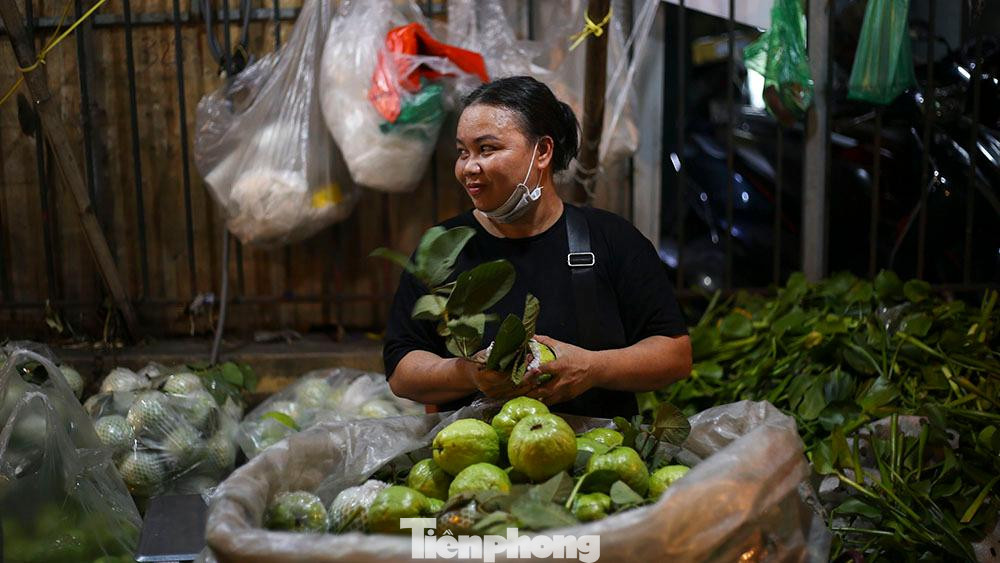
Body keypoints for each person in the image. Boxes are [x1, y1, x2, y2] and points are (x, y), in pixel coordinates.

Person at [383, 76, 691, 419]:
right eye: (462, 152)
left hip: (597, 459)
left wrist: (592, 367)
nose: (469, 167)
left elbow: (674, 355)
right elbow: (402, 370)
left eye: (487, 149)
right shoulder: (443, 248)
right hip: (473, 461)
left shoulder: (611, 239)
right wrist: (469, 373)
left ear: (542, 152)